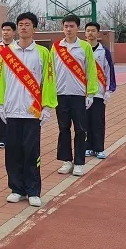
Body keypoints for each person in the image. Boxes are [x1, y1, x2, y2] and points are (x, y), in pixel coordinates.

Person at [0, 12, 57, 207]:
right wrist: (0, 104)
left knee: (31, 152)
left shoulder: (43, 53)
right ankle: (16, 188)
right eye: (20, 24)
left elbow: (49, 81)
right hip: (11, 110)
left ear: (34, 28)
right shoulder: (5, 54)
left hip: (32, 111)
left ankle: (33, 190)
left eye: (27, 24)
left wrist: (47, 106)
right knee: (12, 152)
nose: (23, 27)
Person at [52, 14, 98, 177]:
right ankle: (67, 160)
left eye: (71, 26)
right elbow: (51, 72)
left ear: (77, 28)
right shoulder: (56, 47)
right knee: (63, 129)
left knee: (80, 130)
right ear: (62, 28)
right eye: (66, 26)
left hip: (79, 95)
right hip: (60, 95)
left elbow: (91, 71)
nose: (68, 29)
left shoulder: (84, 47)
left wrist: (91, 93)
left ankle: (79, 162)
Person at [84, 22, 116, 160]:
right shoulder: (80, 49)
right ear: (85, 33)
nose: (90, 33)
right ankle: (87, 147)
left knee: (98, 121)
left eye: (93, 31)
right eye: (88, 31)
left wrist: (109, 89)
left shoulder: (104, 51)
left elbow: (110, 71)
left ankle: (98, 148)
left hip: (98, 93)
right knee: (84, 122)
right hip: (83, 93)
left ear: (97, 33)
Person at [0, 22, 17, 149]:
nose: (5, 32)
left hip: (13, 83)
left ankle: (12, 136)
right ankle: (1, 138)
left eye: (8, 30)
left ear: (14, 32)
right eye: (3, 30)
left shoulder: (17, 47)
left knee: (12, 110)